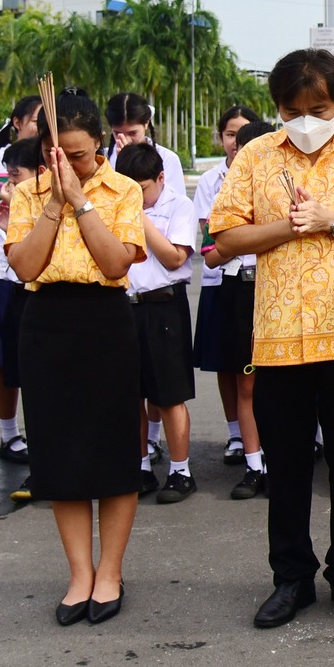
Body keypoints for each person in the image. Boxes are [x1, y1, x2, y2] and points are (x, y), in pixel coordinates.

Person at [209, 49, 334, 629]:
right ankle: (291, 578)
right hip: (279, 337)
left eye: (317, 109)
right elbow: (225, 235)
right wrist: (288, 227)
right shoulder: (255, 156)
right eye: (291, 110)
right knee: (287, 468)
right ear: (277, 107)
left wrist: (333, 222)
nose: (304, 121)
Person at [7, 91, 148, 626]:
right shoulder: (27, 193)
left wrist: (81, 202)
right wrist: (53, 203)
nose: (69, 164)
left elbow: (115, 264)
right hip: (46, 322)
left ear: (100, 145)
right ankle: (79, 573)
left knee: (114, 451)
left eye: (80, 155)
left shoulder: (122, 189)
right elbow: (25, 266)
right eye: (57, 155)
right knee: (58, 452)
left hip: (106, 320)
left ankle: (110, 571)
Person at [118, 141, 201, 504]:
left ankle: (181, 471)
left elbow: (174, 258)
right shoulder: (114, 208)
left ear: (161, 178)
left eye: (142, 188)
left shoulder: (179, 206)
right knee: (130, 393)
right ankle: (139, 466)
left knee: (169, 395)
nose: (136, 196)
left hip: (163, 305)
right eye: (128, 188)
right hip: (125, 306)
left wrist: (138, 218)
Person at [0, 96, 41, 468]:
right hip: (0, 272)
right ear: (16, 122)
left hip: (41, 277)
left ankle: (45, 436)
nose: (40, 127)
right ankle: (8, 433)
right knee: (5, 359)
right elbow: (6, 193)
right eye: (35, 120)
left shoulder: (55, 163)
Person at [194, 107, 259, 466]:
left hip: (267, 285)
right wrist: (253, 238)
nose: (237, 143)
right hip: (226, 282)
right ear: (222, 137)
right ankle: (239, 436)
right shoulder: (213, 183)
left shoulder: (278, 181)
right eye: (231, 135)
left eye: (244, 134)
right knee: (229, 364)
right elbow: (212, 248)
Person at [0, 137, 45, 502]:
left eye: (16, 176)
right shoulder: (18, 206)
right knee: (26, 380)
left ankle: (53, 467)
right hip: (20, 294)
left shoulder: (57, 204)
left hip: (48, 299)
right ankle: (39, 466)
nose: (8, 185)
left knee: (49, 387)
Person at [106, 91, 186, 201]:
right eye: (118, 133)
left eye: (132, 133)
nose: (126, 140)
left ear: (146, 123)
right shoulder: (103, 159)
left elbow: (177, 203)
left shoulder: (167, 159)